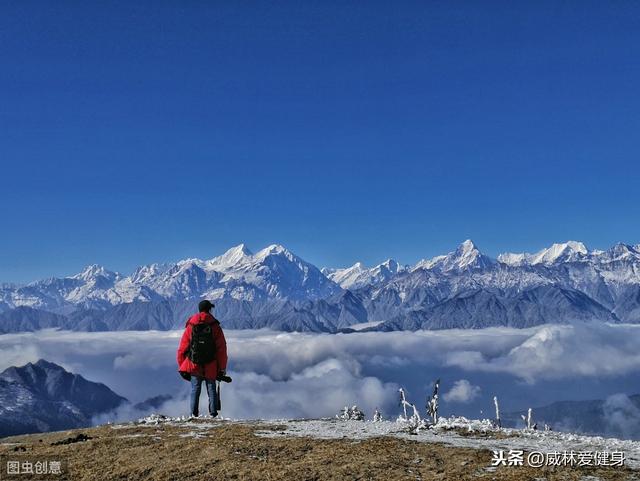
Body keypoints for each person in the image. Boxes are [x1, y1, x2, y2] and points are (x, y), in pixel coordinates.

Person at [177, 300, 228, 417]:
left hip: (194, 364)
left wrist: (182, 366)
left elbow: (182, 348)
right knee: (211, 388)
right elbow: (221, 349)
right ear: (209, 310)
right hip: (211, 364)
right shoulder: (215, 326)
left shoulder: (191, 325)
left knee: (195, 389)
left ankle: (193, 415)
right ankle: (213, 414)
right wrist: (222, 368)